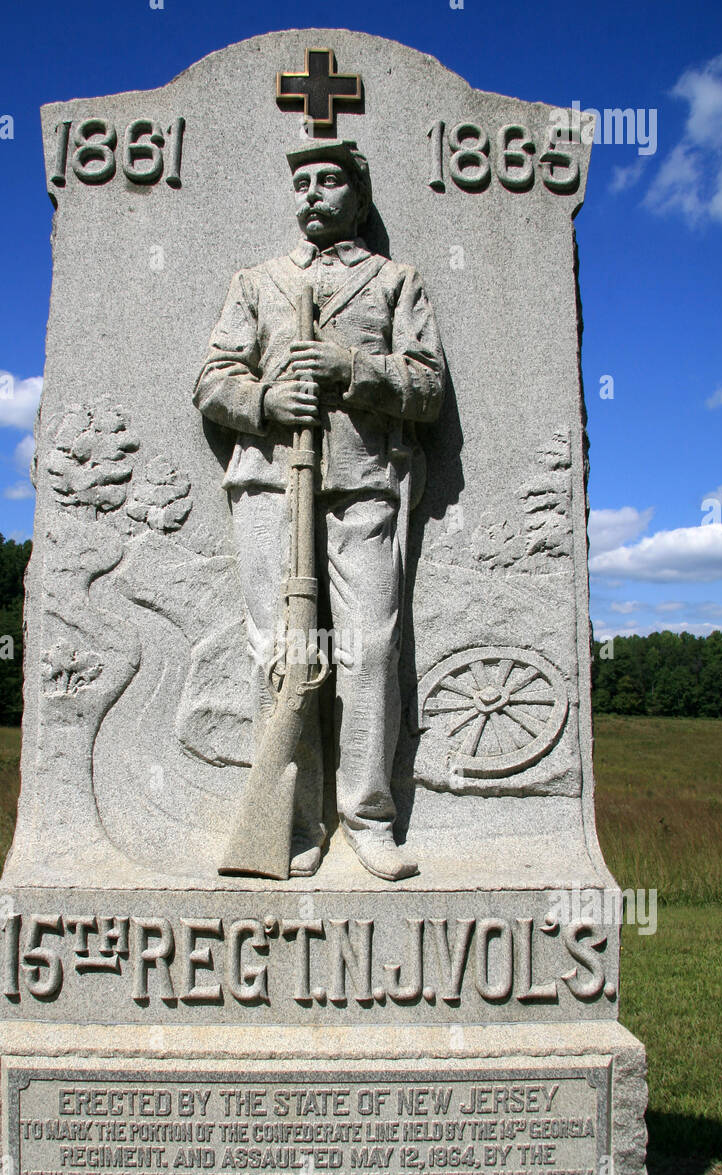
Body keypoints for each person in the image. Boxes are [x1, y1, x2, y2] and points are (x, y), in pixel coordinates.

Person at [193, 139, 445, 879]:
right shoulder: (257, 282)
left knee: (370, 649)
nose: (313, 193)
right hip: (272, 485)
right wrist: (264, 399)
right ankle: (293, 823)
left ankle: (369, 817)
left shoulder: (397, 282)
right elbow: (212, 379)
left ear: (359, 201)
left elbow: (428, 388)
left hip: (364, 483)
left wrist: (355, 372)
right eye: (302, 181)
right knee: (283, 654)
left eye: (330, 180)